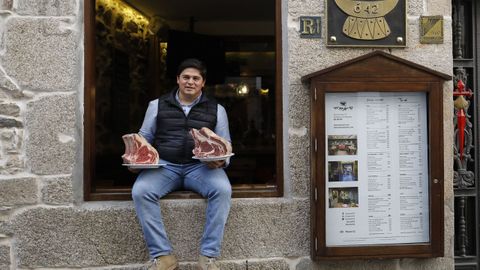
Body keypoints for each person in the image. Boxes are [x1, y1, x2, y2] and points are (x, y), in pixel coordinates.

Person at [131, 58, 232, 270]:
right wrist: (135, 157)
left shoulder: (217, 109)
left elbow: (226, 144)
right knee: (141, 191)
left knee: (222, 190)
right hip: (165, 166)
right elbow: (144, 137)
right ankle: (163, 256)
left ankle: (208, 257)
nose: (190, 82)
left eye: (196, 78)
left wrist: (221, 161)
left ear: (203, 83)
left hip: (201, 168)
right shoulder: (156, 105)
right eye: (186, 77)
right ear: (178, 79)